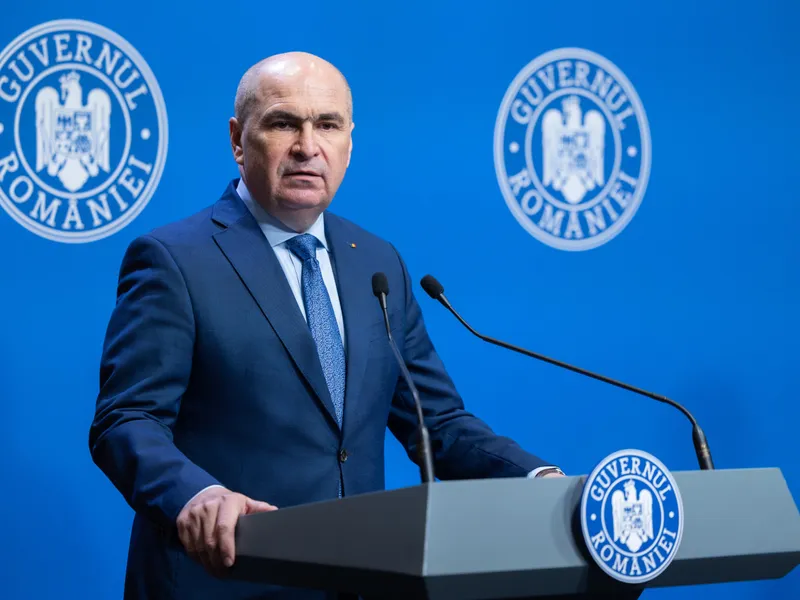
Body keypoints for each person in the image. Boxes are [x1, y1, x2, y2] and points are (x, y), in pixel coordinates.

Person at [88, 52, 563, 600]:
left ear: (349, 143)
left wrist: (539, 484)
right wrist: (195, 495)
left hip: (357, 580)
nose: (307, 146)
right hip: (226, 579)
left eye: (328, 125)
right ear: (238, 140)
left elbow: (438, 422)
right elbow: (126, 419)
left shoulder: (377, 263)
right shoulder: (175, 259)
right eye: (283, 123)